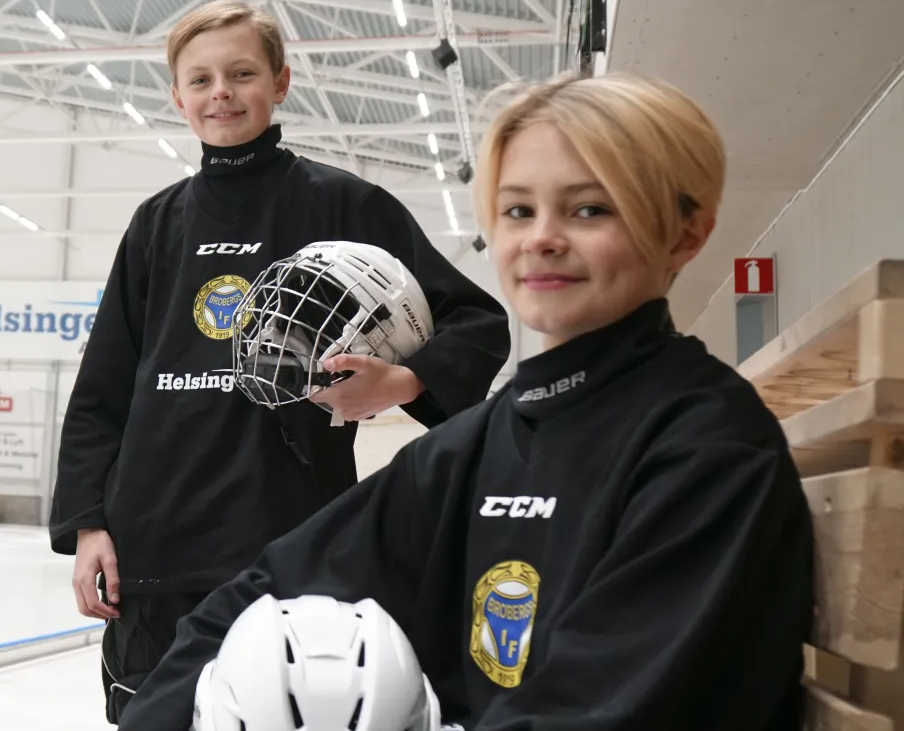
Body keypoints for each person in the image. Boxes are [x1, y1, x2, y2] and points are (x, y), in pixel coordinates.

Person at [116, 71, 816, 731]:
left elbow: (606, 709)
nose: (541, 237)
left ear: (685, 232)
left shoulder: (707, 449)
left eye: (589, 208)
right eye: (518, 209)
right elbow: (266, 587)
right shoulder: (481, 446)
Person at [48, 0, 512, 724]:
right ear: (177, 97)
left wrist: (404, 380)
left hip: (289, 542)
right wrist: (87, 526)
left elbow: (476, 321)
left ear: (281, 82)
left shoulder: (344, 205)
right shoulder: (155, 225)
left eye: (241, 73)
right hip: (153, 548)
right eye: (199, 80)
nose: (221, 93)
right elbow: (103, 388)